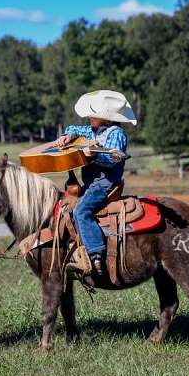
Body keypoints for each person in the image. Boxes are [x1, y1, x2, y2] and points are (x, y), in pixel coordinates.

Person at [55, 90, 136, 274]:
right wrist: (67, 135)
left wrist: (95, 156)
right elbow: (74, 128)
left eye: (95, 114)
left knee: (81, 210)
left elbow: (113, 159)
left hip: (104, 183)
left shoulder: (116, 134)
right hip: (93, 182)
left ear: (107, 118)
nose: (90, 117)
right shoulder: (94, 130)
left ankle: (95, 255)